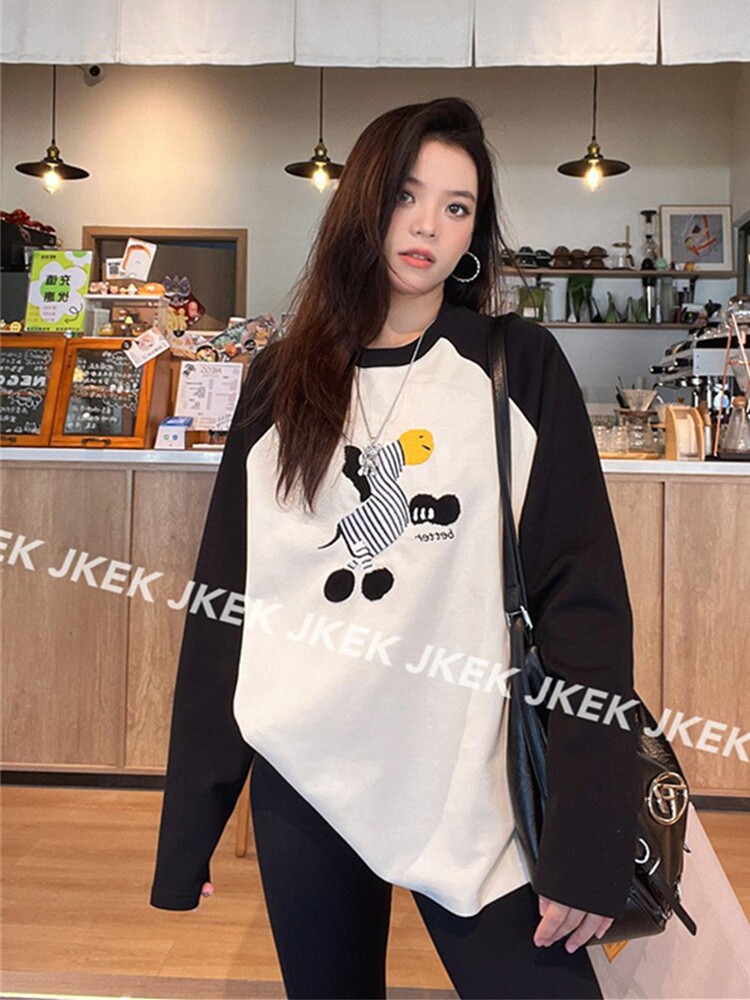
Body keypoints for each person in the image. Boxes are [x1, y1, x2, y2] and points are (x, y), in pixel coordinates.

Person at [150, 96, 640, 1000]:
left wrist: (590, 837)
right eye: (407, 196)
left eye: (457, 207)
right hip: (306, 776)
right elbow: (228, 604)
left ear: (474, 236)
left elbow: (585, 608)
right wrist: (191, 824)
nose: (427, 226)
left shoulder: (515, 365)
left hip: (467, 778)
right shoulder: (280, 380)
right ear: (363, 206)